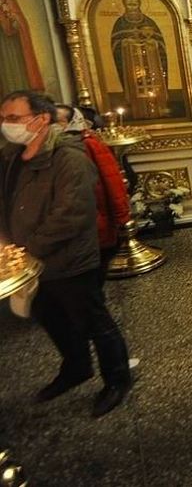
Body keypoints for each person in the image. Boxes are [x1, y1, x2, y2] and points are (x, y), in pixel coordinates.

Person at [0, 91, 132, 417]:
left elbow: (72, 214)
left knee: (92, 318)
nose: (6, 125)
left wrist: (26, 248)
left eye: (13, 118)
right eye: (3, 119)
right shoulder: (12, 157)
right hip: (29, 263)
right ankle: (76, 367)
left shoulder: (68, 158)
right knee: (51, 317)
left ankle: (117, 378)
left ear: (40, 119)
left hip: (69, 259)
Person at [55, 105, 131, 267]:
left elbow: (111, 180)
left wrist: (121, 216)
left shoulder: (89, 143)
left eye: (57, 121)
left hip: (95, 216)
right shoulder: (51, 147)